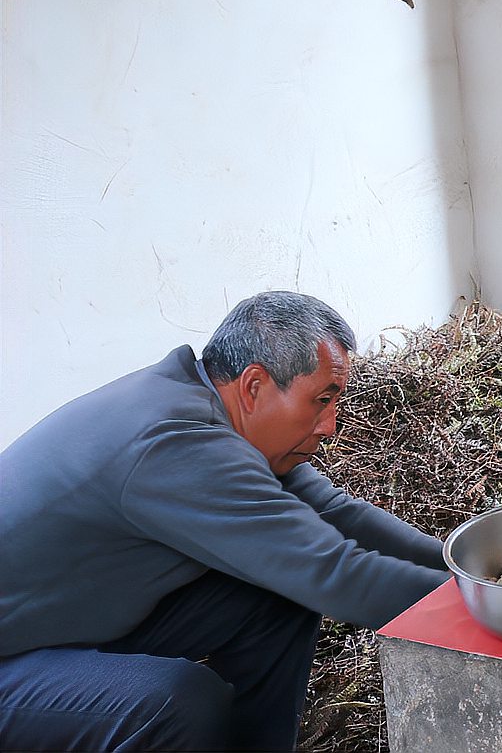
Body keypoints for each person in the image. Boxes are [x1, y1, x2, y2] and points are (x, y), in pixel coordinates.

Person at [0, 292, 449, 751]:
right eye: (322, 399)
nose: (330, 425)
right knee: (176, 702)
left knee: (275, 596)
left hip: (66, 631)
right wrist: (487, 608)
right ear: (254, 386)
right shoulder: (174, 442)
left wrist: (467, 566)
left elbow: (337, 513)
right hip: (12, 664)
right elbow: (331, 571)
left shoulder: (212, 416)